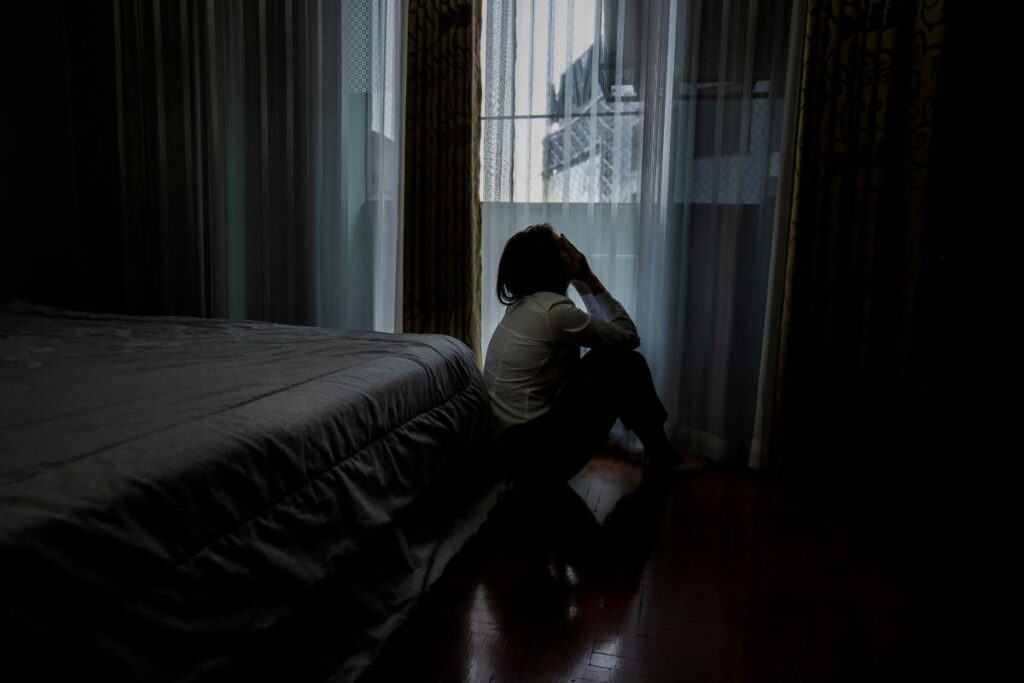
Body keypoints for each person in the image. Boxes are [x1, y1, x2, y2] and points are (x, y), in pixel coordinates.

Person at [483, 223, 704, 484]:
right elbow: (628, 336)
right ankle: (663, 456)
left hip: (513, 450)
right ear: (551, 263)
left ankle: (659, 452)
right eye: (562, 246)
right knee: (626, 363)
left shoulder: (526, 307)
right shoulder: (553, 312)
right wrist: (587, 278)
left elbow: (607, 338)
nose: (572, 250)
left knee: (610, 358)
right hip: (536, 456)